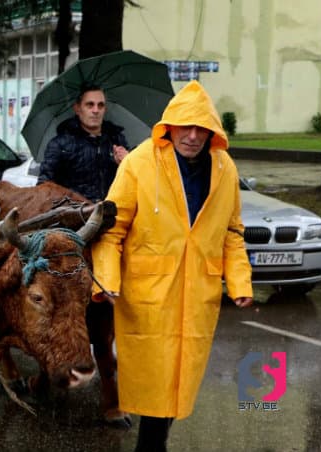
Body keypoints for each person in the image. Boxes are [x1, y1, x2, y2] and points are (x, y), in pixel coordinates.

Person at [91, 80, 254, 452]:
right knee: (156, 381)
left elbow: (231, 230)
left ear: (213, 132)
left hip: (198, 291)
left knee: (178, 381)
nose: (193, 136)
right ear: (170, 126)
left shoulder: (224, 168)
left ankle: (154, 444)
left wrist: (240, 282)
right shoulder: (139, 164)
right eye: (186, 126)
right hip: (149, 293)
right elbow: (111, 231)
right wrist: (105, 281)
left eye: (202, 129)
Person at [37, 85, 129, 202]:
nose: (96, 110)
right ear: (77, 108)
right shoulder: (60, 145)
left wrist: (126, 163)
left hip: (111, 214)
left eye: (100, 105)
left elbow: (132, 183)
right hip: (75, 216)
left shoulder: (117, 141)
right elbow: (44, 188)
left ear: (105, 109)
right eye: (90, 105)